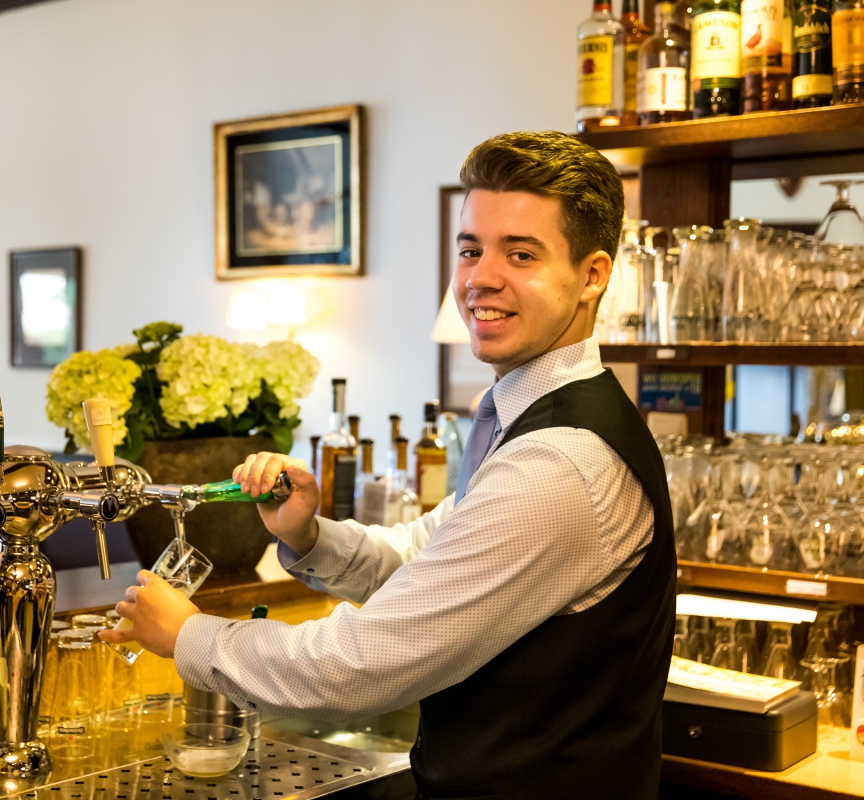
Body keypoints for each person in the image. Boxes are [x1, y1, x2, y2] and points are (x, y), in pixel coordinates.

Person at [100, 130, 675, 799]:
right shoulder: (541, 422)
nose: (480, 278)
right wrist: (310, 536)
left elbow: (362, 665)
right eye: (470, 250)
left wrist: (192, 636)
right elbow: (424, 560)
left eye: (520, 254)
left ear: (592, 274)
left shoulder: (558, 463)